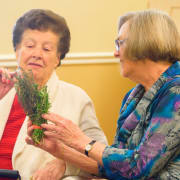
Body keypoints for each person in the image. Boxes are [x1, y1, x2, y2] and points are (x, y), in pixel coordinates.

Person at [26, 9, 180, 179]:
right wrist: (58, 150)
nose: (115, 53)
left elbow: (138, 168)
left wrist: (80, 140)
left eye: (119, 43)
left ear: (143, 42)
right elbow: (116, 168)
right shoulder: (133, 98)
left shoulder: (176, 92)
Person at [0, 9, 108, 180]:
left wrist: (65, 163)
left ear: (58, 58)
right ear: (16, 50)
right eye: (29, 46)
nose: (36, 54)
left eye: (47, 49)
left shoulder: (77, 99)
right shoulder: (3, 90)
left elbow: (103, 161)